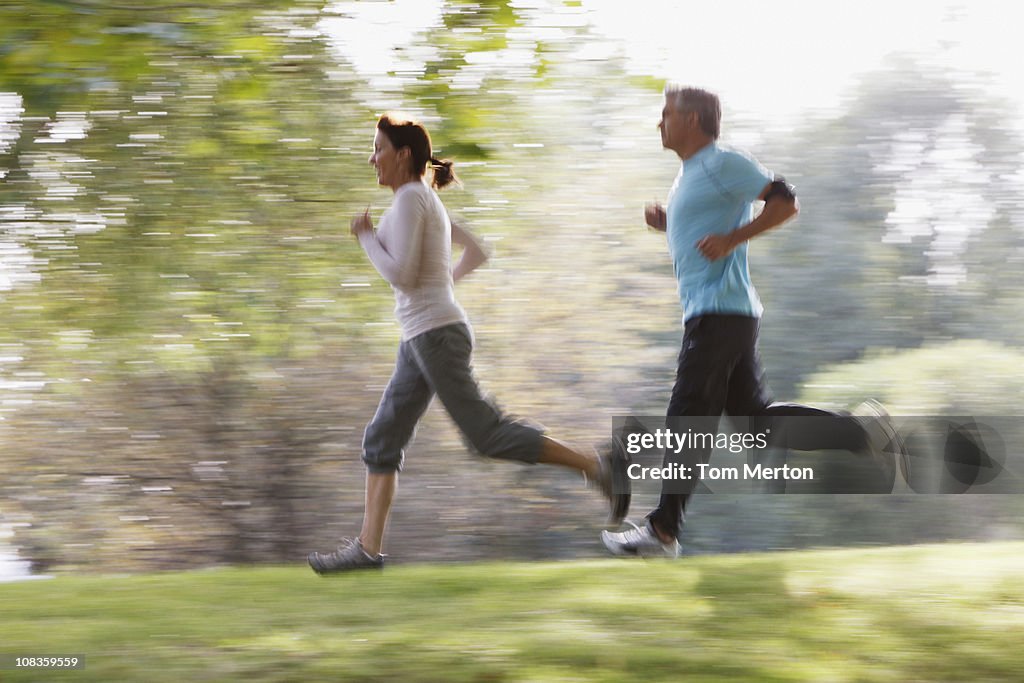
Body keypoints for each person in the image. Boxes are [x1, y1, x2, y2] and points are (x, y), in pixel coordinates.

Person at [309, 113, 630, 573]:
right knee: (382, 438)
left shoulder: (409, 201)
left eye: (378, 148)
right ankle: (366, 550)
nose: (371, 157)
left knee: (486, 435)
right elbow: (473, 252)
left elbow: (400, 274)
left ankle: (596, 466)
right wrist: (443, 287)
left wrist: (364, 238)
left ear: (403, 155)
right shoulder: (425, 201)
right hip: (425, 333)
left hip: (435, 335)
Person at [601, 86, 905, 558]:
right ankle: (861, 432)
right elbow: (706, 227)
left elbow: (784, 202)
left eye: (666, 114)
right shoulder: (688, 175)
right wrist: (671, 223)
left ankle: (662, 531)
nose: (657, 122)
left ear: (695, 119)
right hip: (723, 313)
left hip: (719, 313)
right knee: (755, 424)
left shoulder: (725, 161)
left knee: (688, 414)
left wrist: (732, 239)